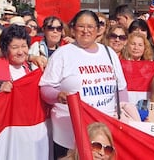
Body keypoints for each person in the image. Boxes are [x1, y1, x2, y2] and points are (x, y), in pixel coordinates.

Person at [39, 10, 128, 159]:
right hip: (69, 136)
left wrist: (124, 112)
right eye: (81, 26)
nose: (86, 31)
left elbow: (121, 88)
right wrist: (58, 96)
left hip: (102, 138)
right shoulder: (62, 54)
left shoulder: (109, 53)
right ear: (73, 29)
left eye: (90, 26)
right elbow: (45, 89)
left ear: (98, 29)